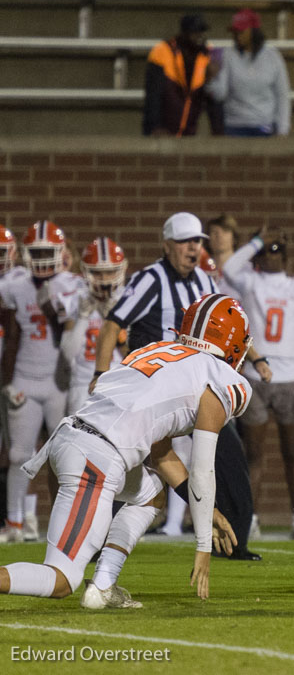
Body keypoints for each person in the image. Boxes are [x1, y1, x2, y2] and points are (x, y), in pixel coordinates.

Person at [0, 295, 249, 607]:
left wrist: (207, 511)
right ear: (235, 342)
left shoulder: (155, 349)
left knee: (152, 493)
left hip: (69, 441)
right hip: (95, 460)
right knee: (61, 580)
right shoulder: (224, 378)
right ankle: (93, 583)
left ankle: (103, 585)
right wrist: (202, 546)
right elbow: (202, 468)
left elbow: (160, 454)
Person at [92, 211, 268, 560]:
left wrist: (258, 357)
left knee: (230, 458)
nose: (194, 248)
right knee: (127, 459)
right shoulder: (150, 279)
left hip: (196, 386)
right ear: (167, 245)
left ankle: (234, 543)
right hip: (154, 390)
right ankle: (96, 539)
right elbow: (114, 324)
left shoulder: (204, 279)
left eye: (198, 241)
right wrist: (99, 372)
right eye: (187, 242)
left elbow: (234, 323)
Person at [221, 229, 294, 541]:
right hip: (254, 372)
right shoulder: (251, 280)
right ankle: (251, 517)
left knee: (293, 453)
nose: (271, 254)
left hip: (290, 377)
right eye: (268, 250)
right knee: (254, 453)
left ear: (286, 256)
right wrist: (256, 242)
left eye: (277, 249)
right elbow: (229, 267)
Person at [0, 222, 81, 542]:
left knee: (63, 456)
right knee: (19, 454)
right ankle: (16, 524)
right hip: (24, 377)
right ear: (26, 254)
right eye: (39, 252)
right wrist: (7, 381)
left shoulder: (73, 284)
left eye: (50, 251)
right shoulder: (15, 284)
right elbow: (12, 335)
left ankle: (62, 525)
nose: (45, 258)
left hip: (59, 381)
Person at [58, 238, 128, 417]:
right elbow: (67, 354)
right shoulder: (75, 298)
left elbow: (132, 354)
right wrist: (82, 317)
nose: (104, 279)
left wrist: (114, 324)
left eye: (110, 272)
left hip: (120, 382)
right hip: (82, 383)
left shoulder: (128, 300)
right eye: (97, 273)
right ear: (86, 272)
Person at [206, 9, 291, 137]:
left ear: (254, 31)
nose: (237, 35)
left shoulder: (272, 56)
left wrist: (283, 129)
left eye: (241, 31)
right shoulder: (228, 55)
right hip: (235, 125)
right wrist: (211, 79)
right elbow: (220, 94)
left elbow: (282, 95)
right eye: (235, 31)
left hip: (265, 125)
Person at [143, 14, 223, 137]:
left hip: (188, 134)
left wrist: (218, 132)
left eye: (201, 32)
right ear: (185, 33)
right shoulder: (163, 51)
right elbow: (154, 95)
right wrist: (155, 126)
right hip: (162, 132)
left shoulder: (206, 56)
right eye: (195, 32)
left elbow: (212, 99)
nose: (199, 36)